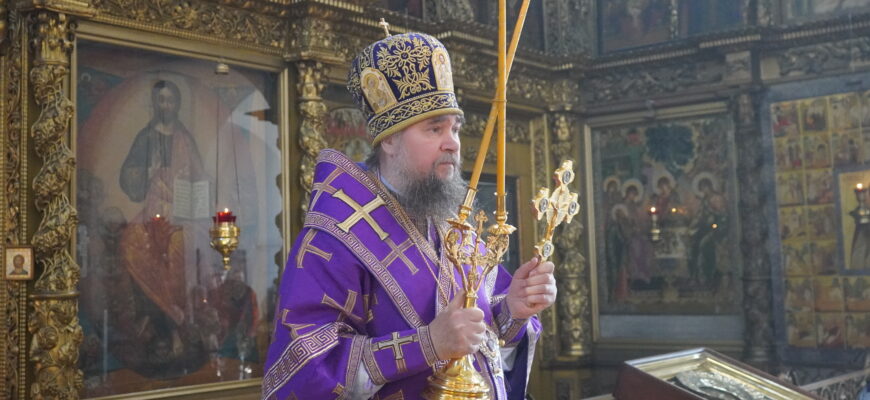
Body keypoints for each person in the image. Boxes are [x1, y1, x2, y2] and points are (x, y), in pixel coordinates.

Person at [263, 32, 556, 399]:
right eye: (435, 128)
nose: (453, 143)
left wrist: (514, 309)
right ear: (389, 139)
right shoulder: (337, 234)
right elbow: (305, 368)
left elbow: (482, 345)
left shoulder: (455, 226)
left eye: (455, 128)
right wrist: (427, 344)